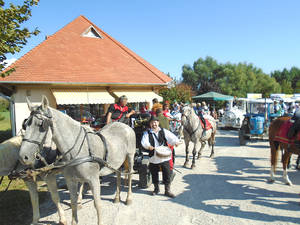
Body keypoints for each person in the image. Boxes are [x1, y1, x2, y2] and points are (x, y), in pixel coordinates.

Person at [141, 116, 180, 197]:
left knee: (167, 172)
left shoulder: (163, 131)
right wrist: (148, 146)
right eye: (152, 123)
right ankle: (156, 189)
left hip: (164, 155)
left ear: (158, 123)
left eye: (155, 122)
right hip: (154, 156)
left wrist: (175, 142)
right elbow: (144, 142)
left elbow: (172, 138)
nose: (154, 124)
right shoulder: (147, 133)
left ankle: (167, 190)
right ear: (150, 124)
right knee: (154, 173)